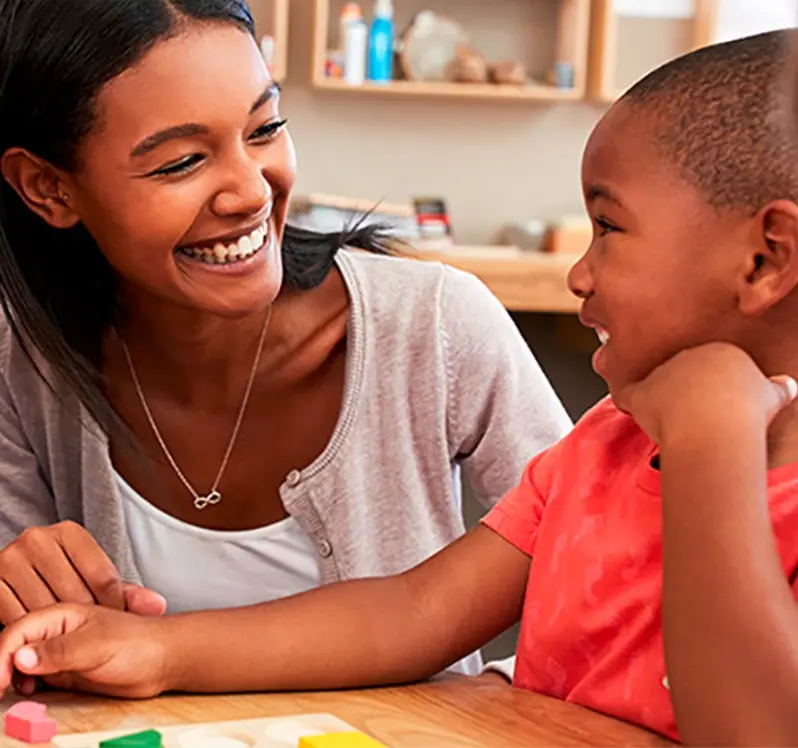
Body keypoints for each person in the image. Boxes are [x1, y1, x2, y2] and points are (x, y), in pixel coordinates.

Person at [16, 13, 798, 748]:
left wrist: (711, 440)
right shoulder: (603, 447)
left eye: (610, 228)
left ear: (765, 259)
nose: (578, 273)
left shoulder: (706, 453)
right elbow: (416, 610)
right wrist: (157, 650)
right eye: (183, 159)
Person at [0, 0, 572, 686]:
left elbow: (601, 571)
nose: (249, 191)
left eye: (265, 127)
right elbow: (32, 668)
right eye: (182, 162)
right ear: (47, 188)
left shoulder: (434, 326)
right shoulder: (24, 357)